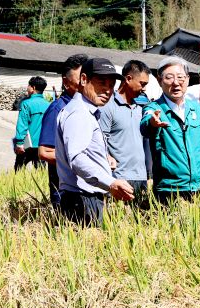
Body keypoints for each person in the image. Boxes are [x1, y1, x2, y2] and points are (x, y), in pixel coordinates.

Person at [55, 57, 134, 225]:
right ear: (84, 79)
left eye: (111, 85)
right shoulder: (79, 113)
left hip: (84, 198)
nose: (107, 90)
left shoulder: (85, 111)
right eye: (101, 82)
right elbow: (76, 158)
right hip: (81, 199)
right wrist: (110, 182)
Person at [141, 57, 200, 203]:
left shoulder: (197, 108)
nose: (176, 83)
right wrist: (152, 122)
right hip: (170, 189)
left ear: (188, 79)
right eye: (169, 77)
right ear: (159, 81)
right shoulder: (154, 108)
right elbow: (145, 124)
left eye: (180, 77)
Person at [99, 59, 151, 209]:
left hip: (141, 178)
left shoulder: (142, 108)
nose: (144, 89)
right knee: (118, 220)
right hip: (119, 178)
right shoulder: (108, 106)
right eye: (142, 83)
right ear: (128, 79)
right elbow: (100, 141)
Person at [39, 53, 88, 207]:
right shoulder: (58, 109)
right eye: (80, 79)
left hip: (87, 189)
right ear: (66, 83)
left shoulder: (88, 108)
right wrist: (81, 160)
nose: (85, 83)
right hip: (66, 194)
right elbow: (45, 152)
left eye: (88, 78)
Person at [12, 76, 49, 171]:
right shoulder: (48, 105)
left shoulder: (26, 103)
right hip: (42, 144)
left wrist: (19, 142)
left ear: (33, 88)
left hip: (27, 145)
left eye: (28, 86)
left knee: (19, 170)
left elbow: (22, 124)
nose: (27, 88)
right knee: (40, 171)